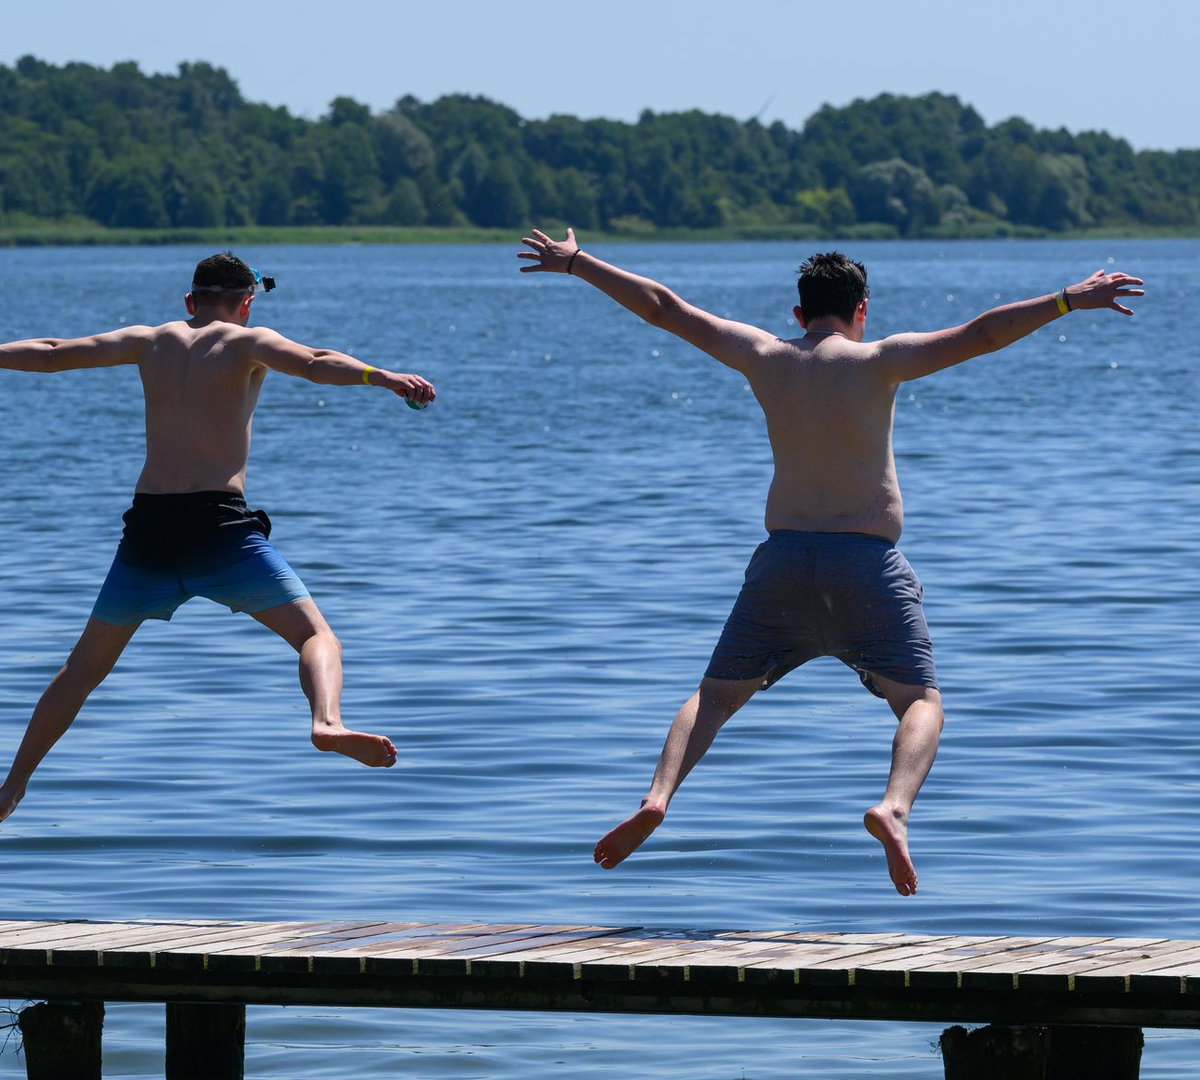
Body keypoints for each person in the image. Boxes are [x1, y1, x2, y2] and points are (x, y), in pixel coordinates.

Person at [519, 229, 1142, 895]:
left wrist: (579, 263)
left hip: (783, 562)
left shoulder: (763, 354)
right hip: (866, 566)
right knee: (921, 703)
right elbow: (984, 333)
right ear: (862, 308)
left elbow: (665, 309)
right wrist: (1068, 300)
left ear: (798, 315)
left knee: (714, 697)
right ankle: (893, 807)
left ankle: (658, 795)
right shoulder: (880, 358)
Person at [0, 252, 436, 826]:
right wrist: (381, 377)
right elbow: (314, 362)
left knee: (81, 671)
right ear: (246, 303)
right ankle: (327, 722)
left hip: (149, 532)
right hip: (219, 529)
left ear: (189, 301)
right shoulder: (247, 341)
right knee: (315, 636)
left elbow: (53, 353)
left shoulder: (148, 339)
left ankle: (12, 786)